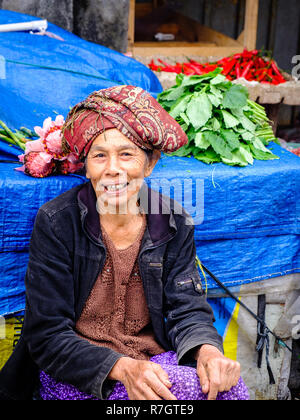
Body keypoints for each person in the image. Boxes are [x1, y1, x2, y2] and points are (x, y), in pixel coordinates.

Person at [0, 85, 249, 401]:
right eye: (100, 156)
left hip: (151, 360)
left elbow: (187, 308)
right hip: (77, 369)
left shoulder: (172, 221)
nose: (112, 169)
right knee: (172, 391)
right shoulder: (57, 222)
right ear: (86, 166)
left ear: (150, 163)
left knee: (229, 388)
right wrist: (122, 368)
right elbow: (48, 334)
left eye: (127, 154)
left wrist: (208, 352)